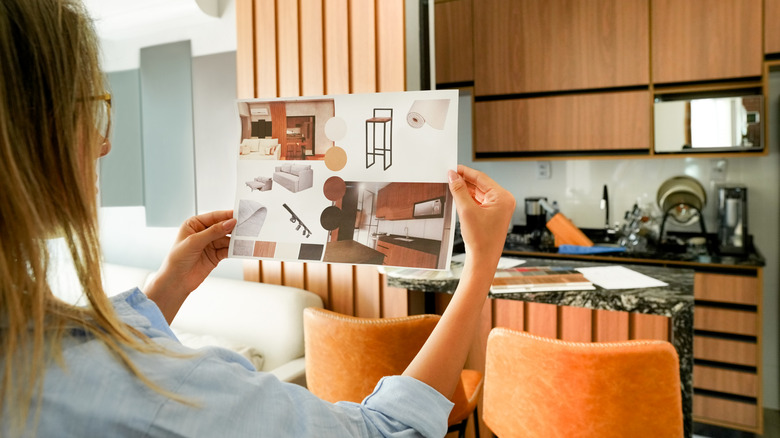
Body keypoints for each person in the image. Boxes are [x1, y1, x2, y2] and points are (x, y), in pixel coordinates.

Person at [0, 0, 516, 436]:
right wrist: (481, 265)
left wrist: (167, 288)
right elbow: (384, 429)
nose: (105, 143)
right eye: (87, 109)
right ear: (27, 137)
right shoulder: (163, 390)